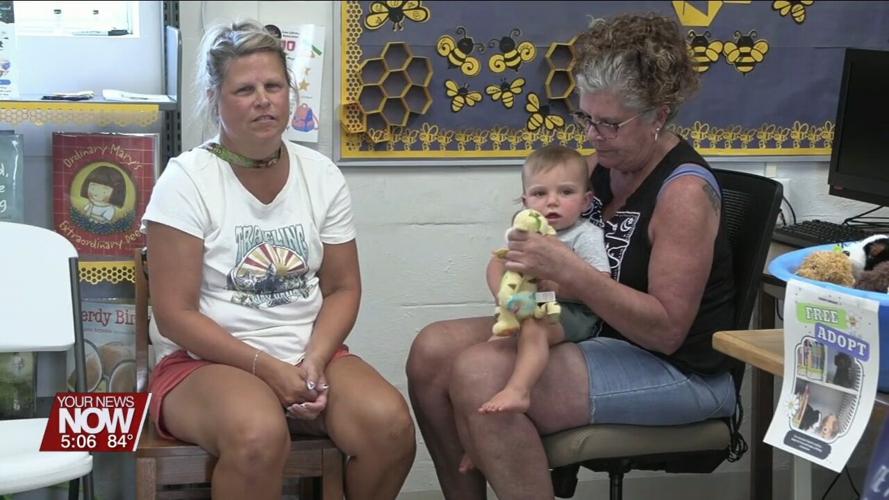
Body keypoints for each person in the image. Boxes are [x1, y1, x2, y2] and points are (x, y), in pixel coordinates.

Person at [406, 13, 740, 499]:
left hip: (681, 371)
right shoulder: (600, 167)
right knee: (432, 350)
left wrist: (570, 273)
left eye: (610, 124)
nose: (592, 136)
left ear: (659, 115)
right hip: (603, 332)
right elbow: (543, 223)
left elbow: (667, 331)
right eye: (585, 117)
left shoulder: (683, 193)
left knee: (478, 373)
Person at [142, 20, 415, 500]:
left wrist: (314, 359)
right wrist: (267, 368)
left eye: (274, 85)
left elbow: (343, 288)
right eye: (244, 89)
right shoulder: (186, 181)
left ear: (290, 93)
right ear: (215, 99)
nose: (263, 99)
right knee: (257, 436)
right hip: (201, 362)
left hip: (306, 354)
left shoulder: (321, 175)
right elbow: (174, 315)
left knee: (390, 427)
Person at [480, 145, 610, 415]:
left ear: (586, 201)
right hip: (530, 306)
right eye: (540, 193)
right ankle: (485, 425)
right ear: (525, 202)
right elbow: (496, 265)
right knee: (491, 352)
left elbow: (602, 284)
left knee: (534, 327)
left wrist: (556, 285)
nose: (552, 202)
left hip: (576, 312)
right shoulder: (526, 235)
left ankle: (519, 391)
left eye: (566, 192)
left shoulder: (586, 235)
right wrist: (503, 298)